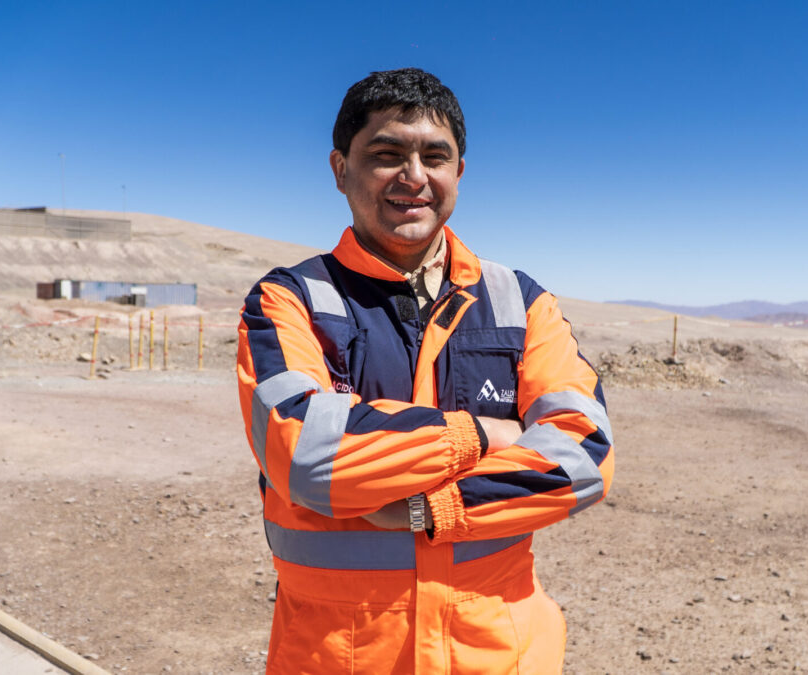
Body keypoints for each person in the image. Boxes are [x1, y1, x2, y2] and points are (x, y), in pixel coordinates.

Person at [236, 67, 615, 674]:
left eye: (434, 156)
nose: (414, 177)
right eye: (387, 154)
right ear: (340, 169)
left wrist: (431, 509)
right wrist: (486, 436)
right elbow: (307, 454)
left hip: (497, 654)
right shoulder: (291, 301)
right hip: (340, 657)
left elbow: (583, 456)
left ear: (458, 172)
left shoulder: (519, 301)